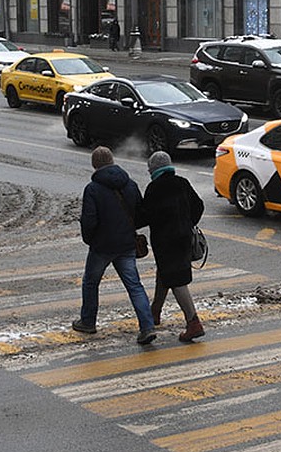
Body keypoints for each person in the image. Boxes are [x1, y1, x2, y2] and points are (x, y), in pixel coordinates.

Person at [75, 146, 157, 344]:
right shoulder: (130, 184)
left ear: (95, 165)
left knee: (91, 282)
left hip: (102, 247)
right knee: (134, 285)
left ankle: (88, 321)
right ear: (112, 161)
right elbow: (140, 213)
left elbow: (89, 220)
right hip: (126, 244)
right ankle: (147, 327)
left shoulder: (92, 189)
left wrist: (90, 240)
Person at [139, 150, 206, 342]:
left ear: (153, 169)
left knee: (176, 281)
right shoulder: (182, 183)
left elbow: (145, 215)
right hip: (183, 238)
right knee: (166, 273)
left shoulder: (154, 188)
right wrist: (187, 223)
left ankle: (193, 322)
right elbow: (199, 206)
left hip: (166, 242)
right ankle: (155, 312)